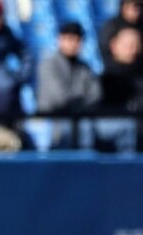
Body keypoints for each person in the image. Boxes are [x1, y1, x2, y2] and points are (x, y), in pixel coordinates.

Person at [35, 21, 101, 150]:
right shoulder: (49, 64)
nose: (74, 44)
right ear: (60, 39)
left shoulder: (84, 67)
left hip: (80, 116)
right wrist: (81, 98)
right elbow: (60, 99)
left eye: (78, 40)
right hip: (54, 118)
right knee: (78, 128)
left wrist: (78, 100)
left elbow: (96, 95)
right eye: (70, 39)